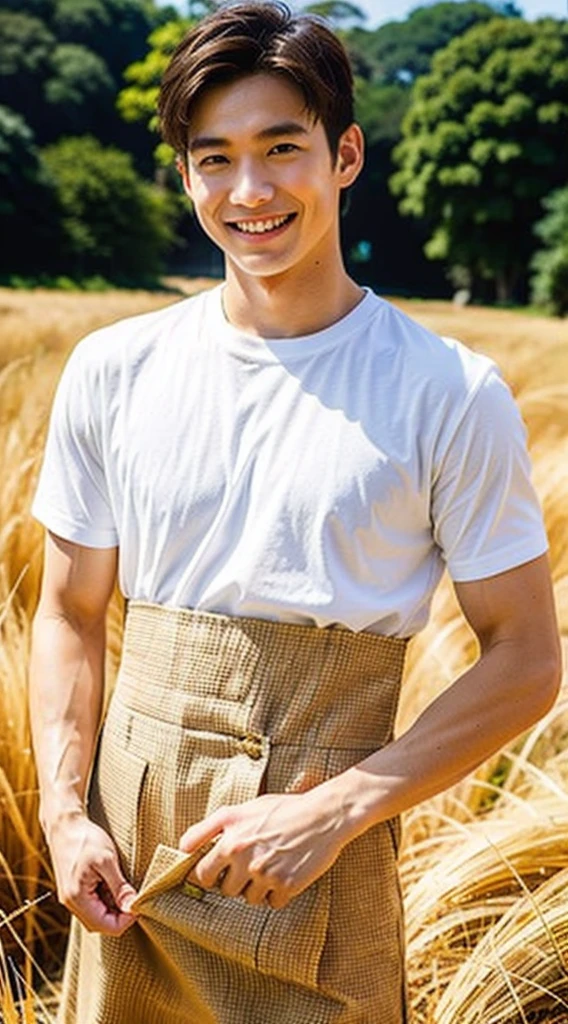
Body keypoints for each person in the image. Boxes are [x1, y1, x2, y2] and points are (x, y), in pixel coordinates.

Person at [28, 3, 561, 1022]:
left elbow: (525, 658)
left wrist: (331, 812)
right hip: (122, 880)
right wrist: (63, 816)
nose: (251, 190)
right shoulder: (113, 371)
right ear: (184, 174)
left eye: (282, 149)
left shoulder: (447, 390)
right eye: (214, 157)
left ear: (345, 153)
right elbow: (67, 612)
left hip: (318, 875)